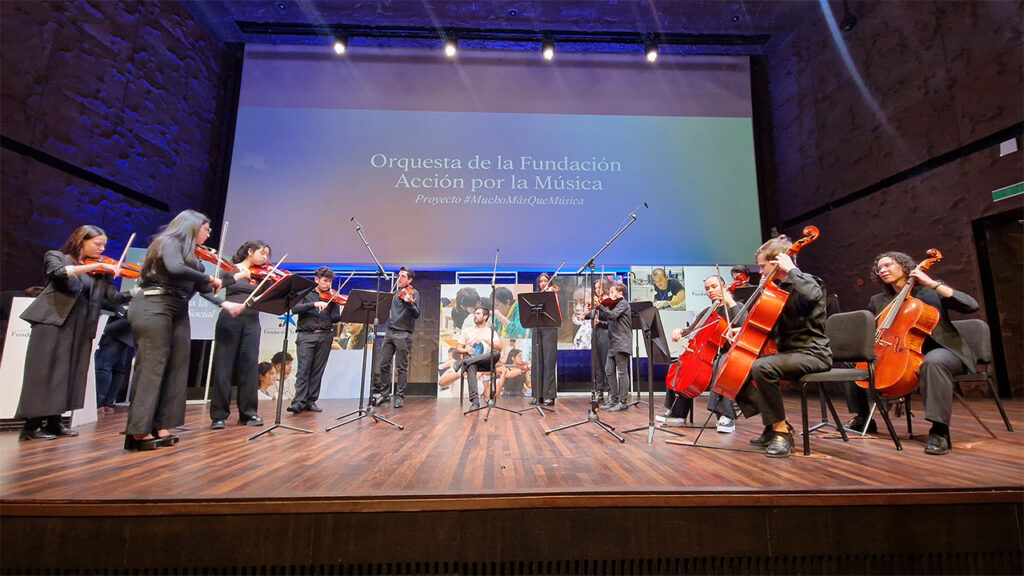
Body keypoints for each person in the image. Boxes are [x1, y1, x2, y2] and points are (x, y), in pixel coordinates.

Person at [125, 210, 245, 450]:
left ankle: (162, 424)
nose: (208, 234)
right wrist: (208, 277)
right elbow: (175, 267)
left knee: (176, 367)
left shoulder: (193, 257)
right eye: (206, 228)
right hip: (154, 305)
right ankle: (138, 431)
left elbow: (202, 286)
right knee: (153, 366)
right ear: (191, 226)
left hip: (178, 308)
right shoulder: (168, 242)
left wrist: (225, 301)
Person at [16, 225, 133, 440]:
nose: (102, 249)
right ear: (81, 241)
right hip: (53, 322)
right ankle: (31, 426)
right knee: (44, 372)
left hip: (80, 326)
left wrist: (138, 291)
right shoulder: (57, 257)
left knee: (69, 374)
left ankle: (55, 422)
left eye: (104, 245)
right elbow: (58, 273)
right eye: (98, 244)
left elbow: (114, 298)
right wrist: (94, 266)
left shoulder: (99, 272)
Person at [862, 251, 979, 455]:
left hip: (941, 350)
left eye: (888, 265)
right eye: (879, 268)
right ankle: (863, 418)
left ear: (904, 266)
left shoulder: (930, 291)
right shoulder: (879, 300)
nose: (882, 270)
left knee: (932, 362)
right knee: (854, 361)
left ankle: (939, 431)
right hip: (898, 350)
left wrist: (932, 283)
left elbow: (970, 305)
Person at [730, 235, 831, 458]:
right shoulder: (778, 290)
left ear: (779, 262)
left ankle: (782, 434)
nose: (760, 271)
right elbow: (771, 326)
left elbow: (814, 295)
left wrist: (791, 270)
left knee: (763, 367)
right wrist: (744, 331)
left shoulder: (809, 282)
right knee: (733, 369)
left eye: (762, 265)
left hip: (812, 353)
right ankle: (774, 424)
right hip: (787, 353)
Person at [666, 275, 743, 432]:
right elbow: (692, 329)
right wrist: (680, 330)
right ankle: (678, 412)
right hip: (709, 352)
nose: (710, 291)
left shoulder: (736, 306)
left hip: (730, 354)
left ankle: (726, 416)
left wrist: (730, 301)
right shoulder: (708, 311)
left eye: (714, 287)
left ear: (725, 287)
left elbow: (744, 324)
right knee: (678, 364)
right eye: (707, 289)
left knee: (718, 365)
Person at [209, 240, 271, 429]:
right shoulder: (230, 268)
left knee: (250, 367)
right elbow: (213, 290)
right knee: (223, 367)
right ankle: (219, 415)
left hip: (252, 321)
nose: (265, 257)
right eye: (263, 253)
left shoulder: (262, 275)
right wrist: (236, 277)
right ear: (250, 251)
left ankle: (249, 413)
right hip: (230, 319)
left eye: (268, 254)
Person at [287, 266, 342, 414]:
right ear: (316, 279)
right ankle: (299, 401)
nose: (328, 284)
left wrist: (337, 303)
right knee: (303, 369)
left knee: (318, 370)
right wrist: (314, 304)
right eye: (325, 281)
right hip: (306, 334)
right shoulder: (305, 292)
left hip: (325, 335)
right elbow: (295, 309)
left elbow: (335, 319)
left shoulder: (332, 296)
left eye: (330, 281)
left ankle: (311, 401)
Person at [373, 267, 420, 408]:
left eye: (403, 276)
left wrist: (410, 303)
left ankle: (400, 396)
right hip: (390, 332)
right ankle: (385, 394)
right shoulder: (394, 292)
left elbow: (417, 314)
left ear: (410, 280)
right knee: (384, 364)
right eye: (399, 275)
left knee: (401, 367)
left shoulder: (413, 293)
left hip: (403, 333)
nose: (400, 278)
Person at [454, 306, 504, 410]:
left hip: (486, 361)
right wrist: (466, 350)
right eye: (475, 314)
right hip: (472, 359)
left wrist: (486, 339)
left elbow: (499, 347)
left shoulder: (491, 332)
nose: (475, 316)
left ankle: (463, 361)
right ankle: (475, 402)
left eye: (478, 314)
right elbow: (458, 349)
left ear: (485, 317)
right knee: (471, 365)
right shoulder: (467, 331)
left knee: (496, 353)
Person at [597, 282, 632, 411]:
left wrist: (599, 306)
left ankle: (623, 402)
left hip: (622, 342)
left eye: (612, 292)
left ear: (620, 293)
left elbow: (612, 315)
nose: (610, 295)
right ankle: (613, 399)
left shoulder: (623, 303)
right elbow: (610, 322)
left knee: (622, 372)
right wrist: (600, 323)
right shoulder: (615, 306)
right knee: (608, 371)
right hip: (613, 344)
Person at [94, 307, 133, 414]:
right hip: (124, 336)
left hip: (113, 335)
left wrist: (105, 328)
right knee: (118, 371)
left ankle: (98, 403)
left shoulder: (113, 297)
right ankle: (108, 403)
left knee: (103, 367)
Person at [530, 272, 559, 407]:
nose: (543, 283)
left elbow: (557, 310)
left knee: (549, 361)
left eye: (545, 281)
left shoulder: (554, 294)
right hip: (537, 327)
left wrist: (552, 294)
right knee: (537, 361)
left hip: (550, 328)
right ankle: (537, 395)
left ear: (550, 282)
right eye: (540, 281)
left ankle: (549, 395)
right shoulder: (535, 296)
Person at [583, 278, 611, 402]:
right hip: (596, 333)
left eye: (598, 287)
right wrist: (586, 314)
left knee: (606, 363)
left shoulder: (609, 301)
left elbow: (611, 319)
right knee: (597, 363)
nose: (596, 290)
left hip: (606, 333)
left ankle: (611, 392)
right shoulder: (596, 301)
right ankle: (599, 392)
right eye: (595, 288)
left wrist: (601, 322)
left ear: (604, 288)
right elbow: (592, 315)